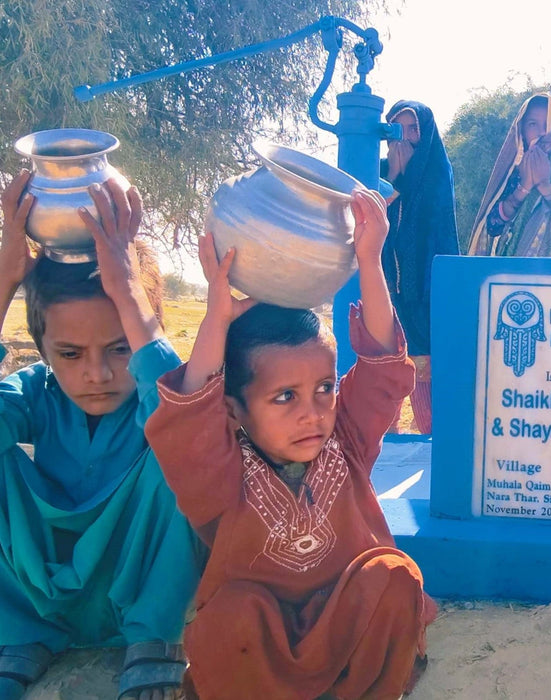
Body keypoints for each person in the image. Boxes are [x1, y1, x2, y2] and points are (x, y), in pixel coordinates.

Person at [144, 188, 437, 699]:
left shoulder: (345, 442)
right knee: (225, 622)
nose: (313, 412)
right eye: (284, 397)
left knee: (394, 576)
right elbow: (192, 415)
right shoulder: (221, 474)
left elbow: (381, 370)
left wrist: (369, 258)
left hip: (345, 631)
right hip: (264, 647)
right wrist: (215, 318)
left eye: (324, 388)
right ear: (234, 410)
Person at [0, 171, 200, 700]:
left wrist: (127, 286)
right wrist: (5, 279)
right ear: (42, 351)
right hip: (39, 590)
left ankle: (155, 637)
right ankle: (20, 631)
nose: (98, 374)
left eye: (119, 348)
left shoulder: (157, 398)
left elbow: (191, 426)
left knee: (178, 451)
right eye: (70, 354)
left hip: (135, 592)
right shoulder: (34, 394)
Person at [381, 100, 460, 433]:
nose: (407, 138)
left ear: (425, 132)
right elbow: (369, 218)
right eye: (398, 129)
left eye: (413, 129)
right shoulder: (381, 173)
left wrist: (402, 183)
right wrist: (395, 179)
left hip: (427, 295)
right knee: (383, 385)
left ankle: (431, 447)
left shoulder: (436, 174)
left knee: (427, 384)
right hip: (385, 290)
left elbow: (435, 235)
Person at [466, 92, 551, 257]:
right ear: (521, 128)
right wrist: (524, 187)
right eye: (532, 124)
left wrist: (546, 187)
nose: (541, 133)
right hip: (507, 274)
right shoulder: (512, 171)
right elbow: (492, 226)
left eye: (548, 125)